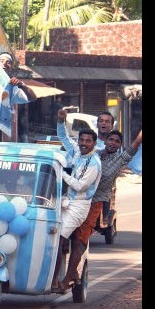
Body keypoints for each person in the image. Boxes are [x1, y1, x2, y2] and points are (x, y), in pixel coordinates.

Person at [51, 109, 102, 293]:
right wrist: (60, 120)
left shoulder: (94, 163)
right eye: (82, 140)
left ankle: (56, 281)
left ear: (94, 143)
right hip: (66, 201)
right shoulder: (77, 152)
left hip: (79, 207)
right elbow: (63, 137)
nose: (84, 144)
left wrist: (60, 173)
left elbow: (80, 186)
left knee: (58, 239)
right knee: (51, 235)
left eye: (88, 141)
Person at [75, 129, 143, 249]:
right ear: (105, 141)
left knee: (81, 238)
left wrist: (139, 138)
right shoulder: (94, 154)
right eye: (111, 139)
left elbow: (135, 145)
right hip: (78, 198)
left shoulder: (120, 159)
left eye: (117, 141)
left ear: (120, 145)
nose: (113, 143)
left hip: (96, 201)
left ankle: (76, 265)